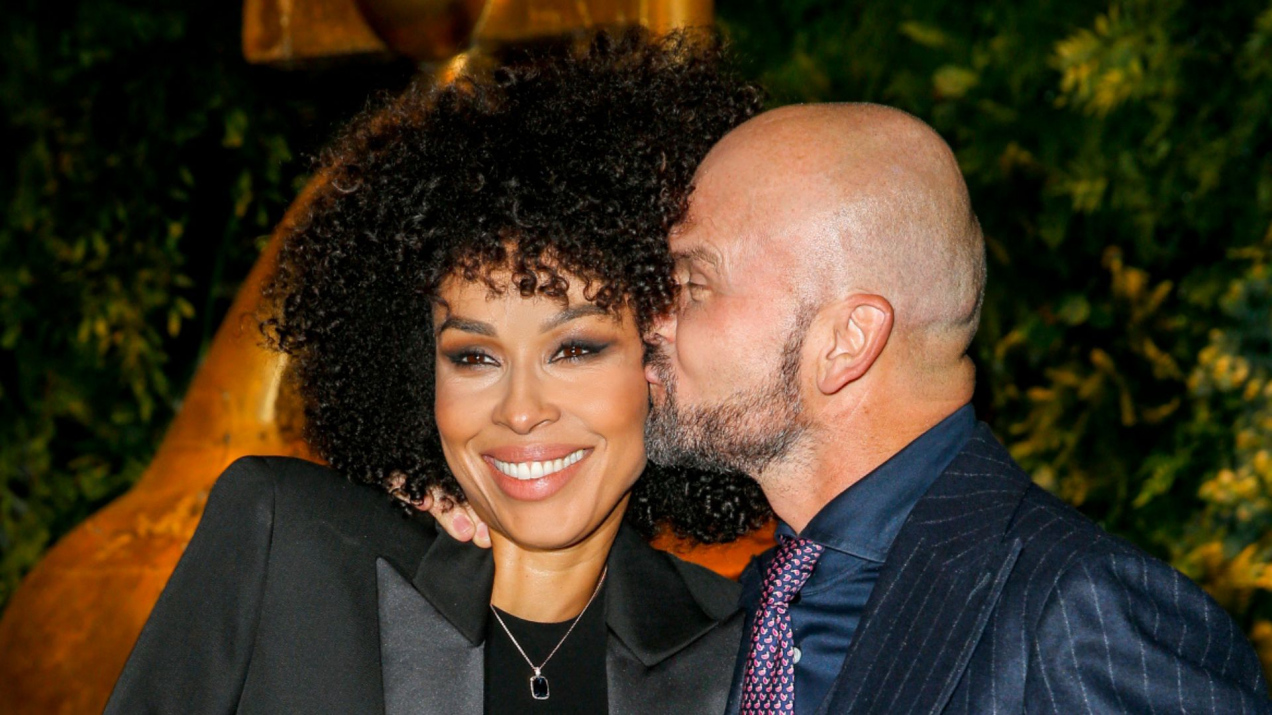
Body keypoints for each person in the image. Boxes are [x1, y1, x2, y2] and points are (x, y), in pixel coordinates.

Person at [436, 103, 1272, 713]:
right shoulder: (741, 609)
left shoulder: (1078, 612)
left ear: (845, 341)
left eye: (692, 284)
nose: (651, 321)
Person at [103, 28, 772, 714]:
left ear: (659, 359)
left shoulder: (741, 646)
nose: (520, 409)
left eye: (574, 350)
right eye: (474, 357)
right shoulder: (292, 545)